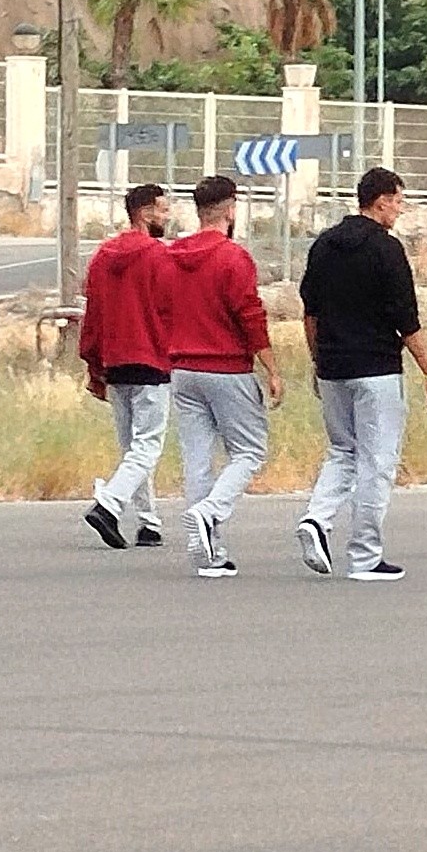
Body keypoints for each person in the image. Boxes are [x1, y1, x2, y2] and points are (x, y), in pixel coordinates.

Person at [296, 167, 427, 582]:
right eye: (397, 201)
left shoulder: (323, 245)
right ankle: (364, 555)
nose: (399, 209)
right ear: (380, 201)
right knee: (377, 461)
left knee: (343, 450)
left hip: (333, 366)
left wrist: (317, 359)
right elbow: (406, 320)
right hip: (376, 368)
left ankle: (317, 518)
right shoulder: (386, 250)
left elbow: (310, 311)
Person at [167, 176, 283, 579]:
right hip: (227, 366)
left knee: (197, 458)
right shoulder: (233, 258)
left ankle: (208, 549)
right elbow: (250, 315)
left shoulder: (171, 257)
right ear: (230, 209)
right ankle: (209, 512)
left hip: (182, 368)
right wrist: (270, 367)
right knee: (249, 451)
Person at [79, 183, 174, 550]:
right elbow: (169, 310)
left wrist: (93, 366)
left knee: (131, 448)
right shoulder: (158, 256)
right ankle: (108, 505)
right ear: (146, 212)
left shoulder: (103, 257)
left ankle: (149, 523)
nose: (167, 217)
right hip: (151, 358)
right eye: (163, 210)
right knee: (147, 446)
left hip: (115, 362)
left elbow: (94, 315)